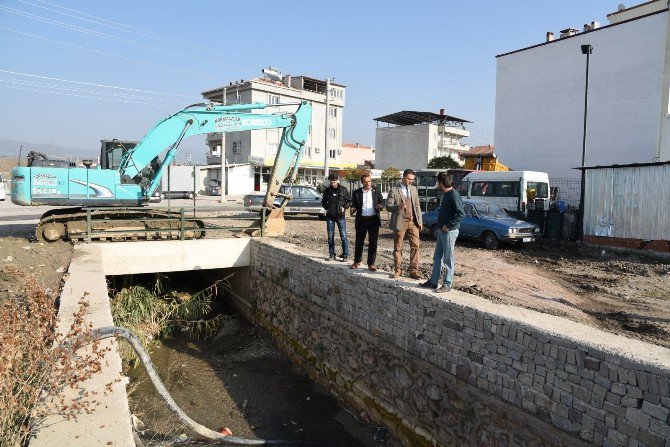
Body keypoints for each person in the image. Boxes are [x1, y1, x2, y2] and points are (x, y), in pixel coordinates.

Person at [421, 171, 465, 293]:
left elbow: (461, 214)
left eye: (437, 182)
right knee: (437, 257)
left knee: (448, 258)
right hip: (441, 232)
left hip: (449, 232)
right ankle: (433, 282)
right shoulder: (445, 195)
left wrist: (449, 225)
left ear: (441, 183)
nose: (437, 184)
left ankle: (447, 284)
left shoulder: (453, 195)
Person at [386, 169, 423, 279]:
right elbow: (388, 206)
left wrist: (420, 221)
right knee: (398, 247)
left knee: (415, 246)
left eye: (412, 180)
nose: (410, 181)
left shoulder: (413, 189)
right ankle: (398, 270)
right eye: (408, 179)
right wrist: (398, 207)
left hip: (413, 222)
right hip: (400, 223)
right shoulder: (394, 190)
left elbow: (417, 206)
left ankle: (414, 271)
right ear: (403, 177)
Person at [349, 173, 384, 271]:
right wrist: (353, 208)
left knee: (373, 242)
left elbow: (382, 202)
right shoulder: (357, 192)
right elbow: (354, 205)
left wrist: (380, 206)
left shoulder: (376, 191)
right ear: (362, 182)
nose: (368, 183)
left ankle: (371, 263)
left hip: (373, 220)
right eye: (365, 182)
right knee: (359, 242)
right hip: (362, 220)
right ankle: (357, 261)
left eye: (369, 181)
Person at [321, 173, 351, 261]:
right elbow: (323, 202)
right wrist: (327, 208)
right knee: (330, 236)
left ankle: (345, 255)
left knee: (343, 236)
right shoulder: (327, 190)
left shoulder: (343, 190)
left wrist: (344, 207)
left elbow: (349, 200)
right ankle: (332, 254)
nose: (333, 184)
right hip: (330, 216)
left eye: (334, 182)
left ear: (337, 181)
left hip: (340, 216)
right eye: (331, 182)